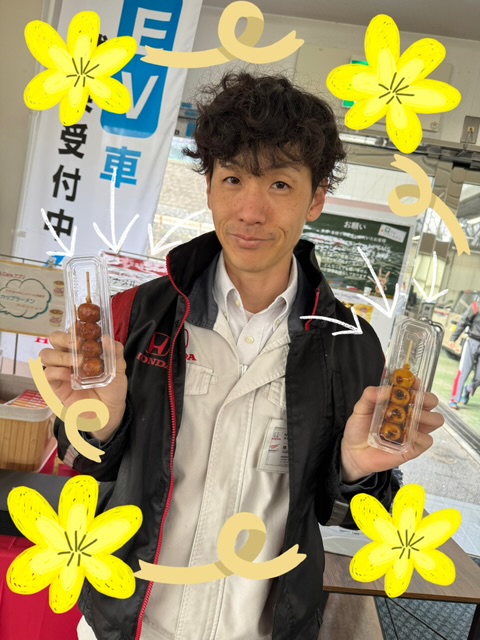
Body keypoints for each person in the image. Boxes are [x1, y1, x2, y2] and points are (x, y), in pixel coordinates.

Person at [41, 72, 444, 640]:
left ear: (317, 198)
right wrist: (97, 426)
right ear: (209, 186)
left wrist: (355, 471)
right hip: (128, 623)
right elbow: (84, 467)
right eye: (232, 179)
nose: (250, 211)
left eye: (279, 184)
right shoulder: (135, 318)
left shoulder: (350, 345)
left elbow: (343, 515)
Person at [448, 297, 480, 409]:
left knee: (479, 377)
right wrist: (453, 338)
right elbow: (463, 322)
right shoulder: (476, 306)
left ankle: (468, 389)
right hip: (472, 342)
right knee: (464, 372)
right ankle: (454, 399)